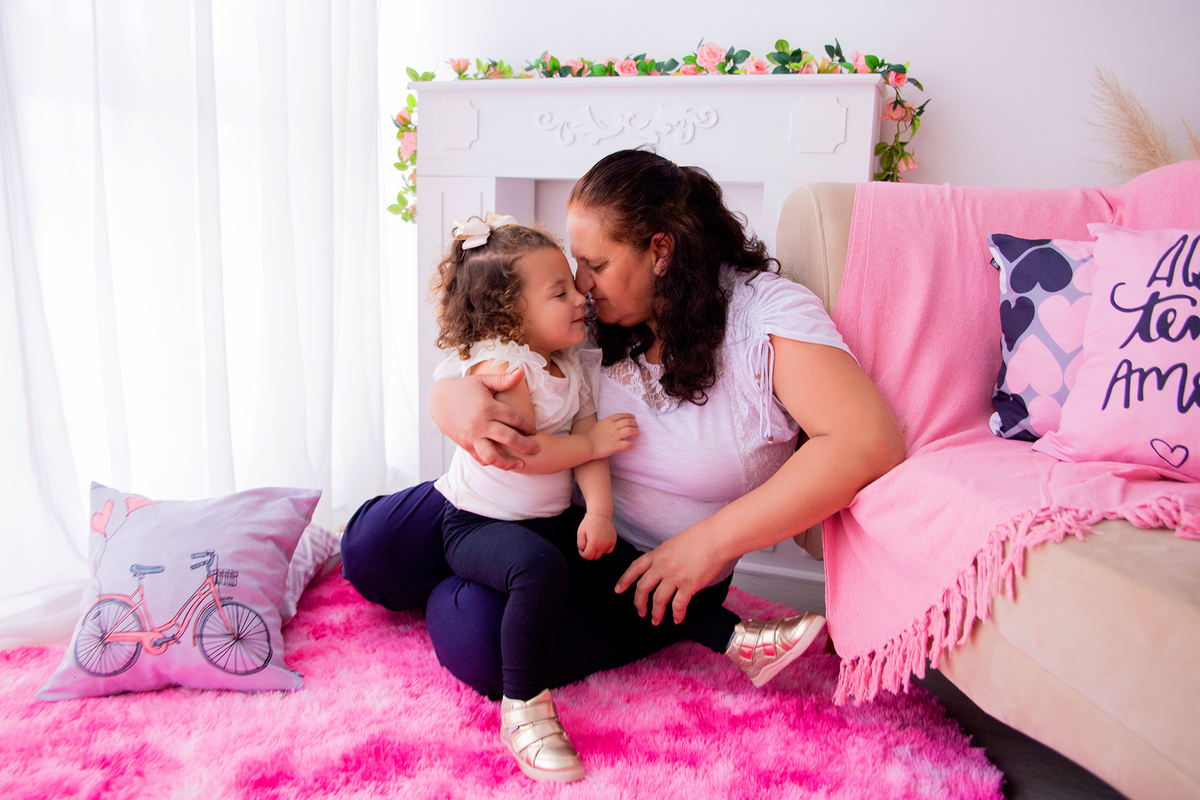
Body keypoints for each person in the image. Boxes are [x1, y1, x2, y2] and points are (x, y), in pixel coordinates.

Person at [341, 148, 903, 771]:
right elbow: (495, 344)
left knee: (486, 645)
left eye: (596, 263)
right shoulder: (594, 315)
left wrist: (709, 544)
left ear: (661, 250)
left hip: (633, 571)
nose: (581, 284)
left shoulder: (765, 317)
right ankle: (469, 555)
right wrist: (452, 400)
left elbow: (866, 441)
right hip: (523, 508)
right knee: (368, 550)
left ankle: (476, 568)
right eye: (576, 265)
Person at [416, 211, 827, 783]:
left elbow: (590, 453)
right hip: (477, 524)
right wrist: (589, 441)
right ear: (513, 316)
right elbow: (531, 452)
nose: (581, 293)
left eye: (585, 274)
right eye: (561, 290)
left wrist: (602, 513)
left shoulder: (572, 368)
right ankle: (525, 709)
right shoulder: (509, 371)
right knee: (534, 568)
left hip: (547, 518)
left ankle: (738, 640)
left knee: (622, 572)